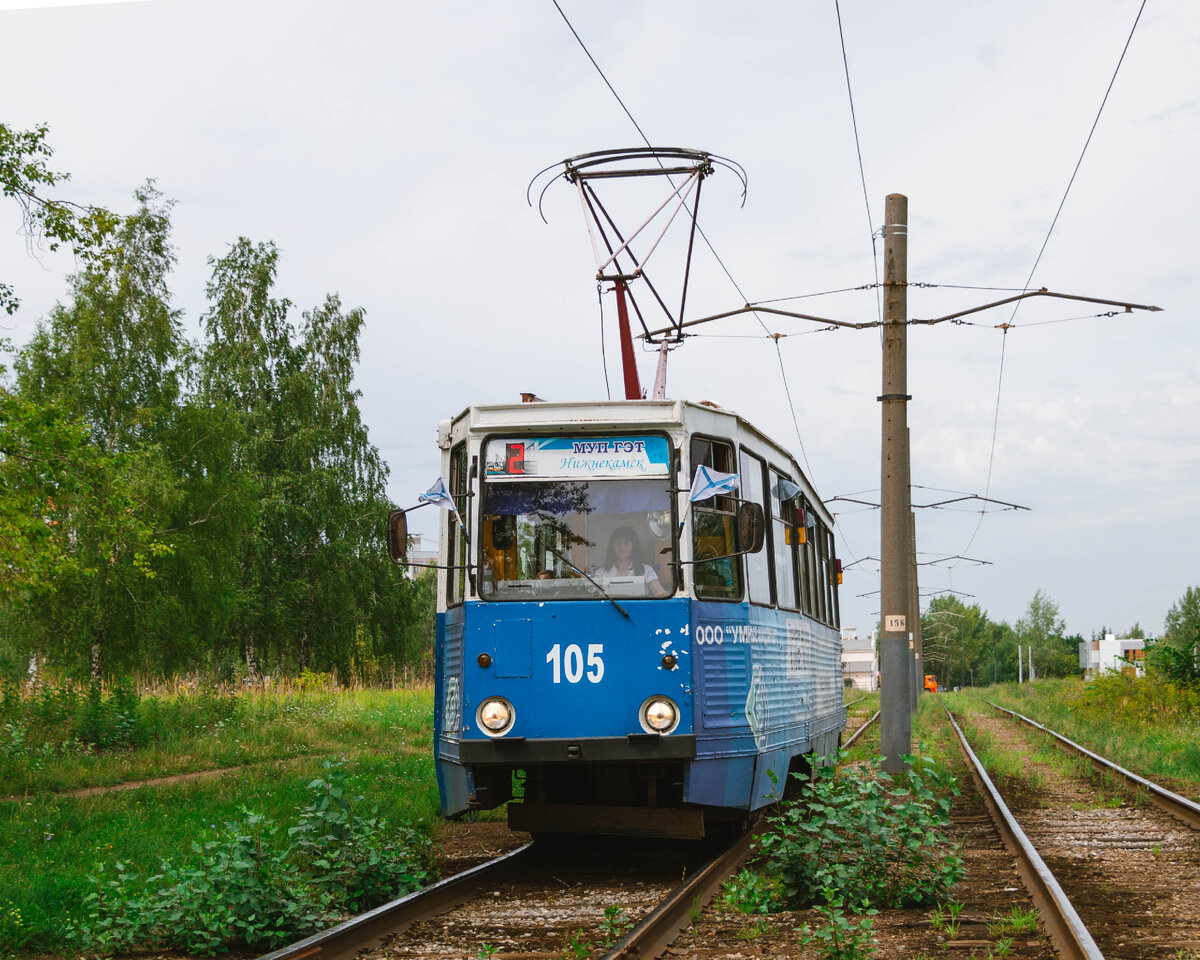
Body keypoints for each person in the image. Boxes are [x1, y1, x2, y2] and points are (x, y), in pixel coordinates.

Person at [594, 526, 666, 597]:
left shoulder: (646, 570)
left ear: (634, 546)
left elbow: (659, 593)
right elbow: (592, 598)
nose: (622, 546)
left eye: (626, 542)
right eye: (618, 542)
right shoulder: (600, 573)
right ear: (612, 546)